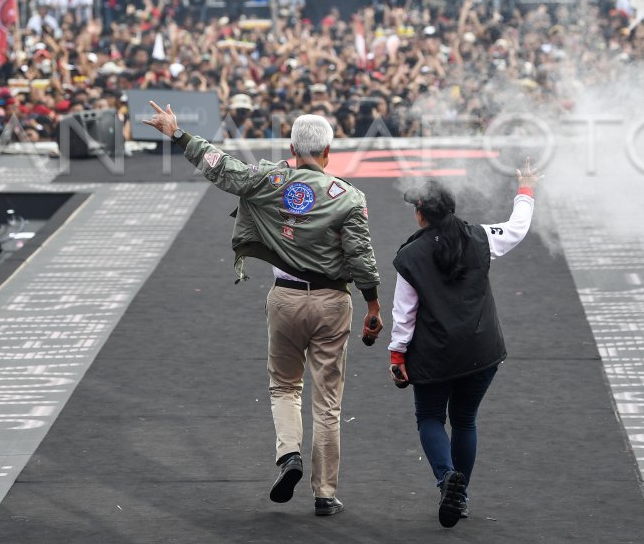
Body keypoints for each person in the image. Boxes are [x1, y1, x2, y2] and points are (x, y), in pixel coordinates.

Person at [142, 103, 381, 517]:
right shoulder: (349, 197)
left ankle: (289, 454)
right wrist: (373, 303)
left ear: (291, 147)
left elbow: (222, 167)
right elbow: (360, 255)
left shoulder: (269, 179)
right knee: (328, 402)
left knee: (285, 386)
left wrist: (178, 134)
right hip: (331, 303)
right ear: (328, 151)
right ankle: (324, 493)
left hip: (285, 298)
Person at [387, 160, 539, 528]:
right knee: (465, 420)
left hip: (434, 357)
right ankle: (462, 493)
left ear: (421, 214)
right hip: (482, 353)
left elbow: (404, 314)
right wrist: (527, 188)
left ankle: (446, 479)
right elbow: (517, 227)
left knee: (429, 418)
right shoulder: (481, 237)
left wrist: (397, 355)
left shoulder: (409, 257)